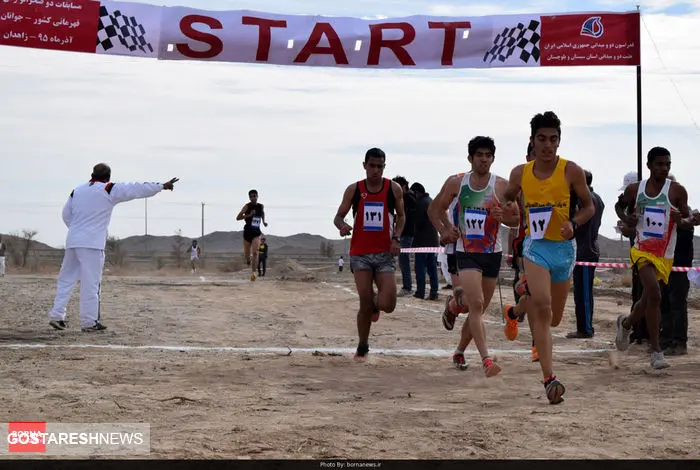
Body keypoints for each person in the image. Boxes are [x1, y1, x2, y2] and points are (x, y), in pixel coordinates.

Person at [502, 111, 595, 404]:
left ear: (559, 141)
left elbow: (589, 207)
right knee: (542, 308)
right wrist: (509, 214)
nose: (547, 145)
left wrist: (574, 224)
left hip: (564, 251)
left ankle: (515, 310)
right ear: (532, 141)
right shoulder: (520, 173)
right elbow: (506, 201)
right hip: (536, 247)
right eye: (541, 139)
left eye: (553, 139)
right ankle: (549, 378)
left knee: (553, 318)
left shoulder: (571, 171)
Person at [428, 136, 519, 377]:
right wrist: (446, 230)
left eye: (488, 155)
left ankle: (459, 350)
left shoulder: (501, 186)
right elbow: (435, 209)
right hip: (465, 252)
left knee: (478, 309)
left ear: (493, 158)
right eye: (479, 155)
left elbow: (517, 219)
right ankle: (486, 360)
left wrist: (504, 218)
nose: (484, 159)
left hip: (491, 253)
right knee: (476, 304)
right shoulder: (457, 183)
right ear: (470, 158)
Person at [48, 163, 178, 332]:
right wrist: (161, 186)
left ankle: (57, 316)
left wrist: (77, 230)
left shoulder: (77, 190)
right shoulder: (108, 189)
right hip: (92, 244)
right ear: (108, 177)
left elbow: (66, 214)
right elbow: (135, 189)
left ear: (92, 174)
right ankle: (89, 322)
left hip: (73, 241)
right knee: (91, 283)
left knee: (66, 279)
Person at [614, 147, 699, 369]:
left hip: (665, 254)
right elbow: (619, 206)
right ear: (649, 165)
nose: (664, 168)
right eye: (660, 164)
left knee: (649, 299)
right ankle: (655, 351)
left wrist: (689, 220)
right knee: (654, 293)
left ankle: (626, 323)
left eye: (667, 164)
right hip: (642, 250)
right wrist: (627, 219)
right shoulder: (636, 190)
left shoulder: (677, 191)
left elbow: (684, 221)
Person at [333, 148, 405, 362]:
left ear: (384, 166)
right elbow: (338, 216)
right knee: (364, 302)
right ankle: (362, 346)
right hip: (360, 254)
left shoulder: (394, 189)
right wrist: (343, 225)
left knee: (389, 304)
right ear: (364, 165)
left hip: (384, 254)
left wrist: (396, 239)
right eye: (372, 166)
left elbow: (401, 217)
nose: (375, 170)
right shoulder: (354, 189)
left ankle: (375, 303)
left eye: (380, 166)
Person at [505, 143, 539, 362]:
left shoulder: (554, 182)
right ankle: (538, 344)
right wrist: (511, 250)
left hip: (552, 247)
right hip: (527, 247)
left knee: (544, 300)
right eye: (534, 154)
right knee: (535, 296)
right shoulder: (519, 187)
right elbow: (513, 223)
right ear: (528, 156)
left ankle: (513, 313)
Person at [567, 170, 604, 339]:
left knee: (584, 293)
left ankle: (586, 329)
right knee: (581, 291)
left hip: (585, 251)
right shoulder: (596, 198)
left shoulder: (588, 201)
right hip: (584, 249)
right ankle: (583, 327)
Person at [411, 182, 440, 300]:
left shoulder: (419, 203)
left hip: (422, 241)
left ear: (416, 192)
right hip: (433, 240)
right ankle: (434, 291)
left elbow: (418, 223)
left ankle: (420, 291)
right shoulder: (431, 200)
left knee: (420, 267)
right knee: (432, 267)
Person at [236, 189, 267, 282]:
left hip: (256, 233)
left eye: (255, 196)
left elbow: (262, 213)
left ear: (257, 196)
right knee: (247, 257)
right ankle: (248, 260)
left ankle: (253, 273)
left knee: (255, 253)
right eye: (251, 196)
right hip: (247, 233)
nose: (253, 198)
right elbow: (238, 218)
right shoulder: (247, 206)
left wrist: (264, 221)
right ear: (249, 198)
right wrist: (249, 215)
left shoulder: (261, 206)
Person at [392, 176, 416, 296]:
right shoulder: (407, 198)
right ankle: (407, 286)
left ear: (403, 186)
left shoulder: (408, 198)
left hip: (407, 233)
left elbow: (406, 217)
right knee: (403, 260)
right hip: (404, 232)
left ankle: (407, 287)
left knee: (404, 260)